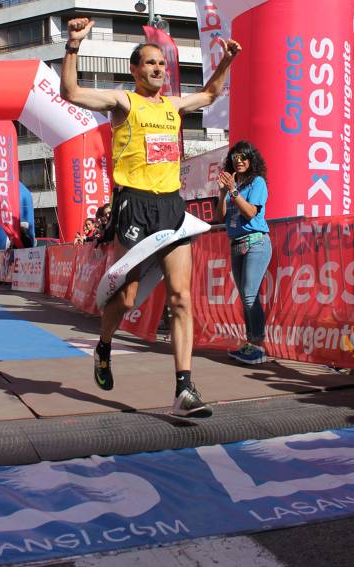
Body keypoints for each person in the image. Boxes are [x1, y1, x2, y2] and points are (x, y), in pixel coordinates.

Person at [61, 18, 241, 418]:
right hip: (134, 205)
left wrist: (225, 60)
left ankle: (184, 388)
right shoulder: (124, 103)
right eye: (150, 64)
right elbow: (70, 92)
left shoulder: (174, 105)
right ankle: (104, 345)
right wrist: (73, 46)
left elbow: (211, 92)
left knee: (181, 298)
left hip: (172, 206)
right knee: (127, 297)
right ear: (135, 70)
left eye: (162, 64)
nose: (158, 69)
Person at [215, 140, 272, 364]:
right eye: (235, 157)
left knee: (250, 296)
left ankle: (258, 346)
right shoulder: (231, 186)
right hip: (236, 244)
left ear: (251, 160)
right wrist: (222, 194)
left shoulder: (257, 182)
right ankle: (251, 344)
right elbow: (220, 217)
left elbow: (250, 213)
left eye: (243, 157)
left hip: (256, 243)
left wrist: (232, 190)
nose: (238, 161)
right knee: (246, 298)